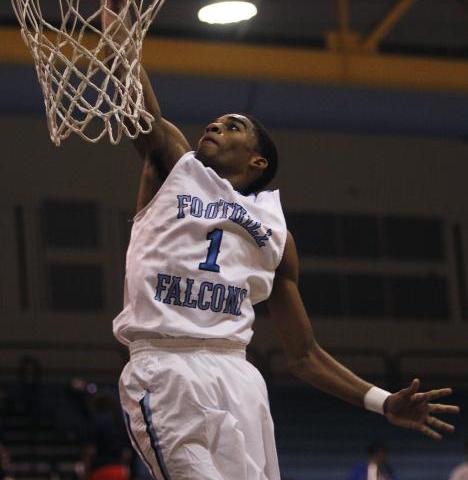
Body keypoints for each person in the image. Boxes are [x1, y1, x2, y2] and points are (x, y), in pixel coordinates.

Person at [100, 2, 459, 479]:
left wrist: (382, 401)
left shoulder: (276, 231)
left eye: (234, 126)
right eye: (216, 121)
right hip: (165, 367)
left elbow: (304, 356)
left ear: (258, 163)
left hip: (238, 374)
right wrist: (115, 27)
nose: (215, 126)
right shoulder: (174, 168)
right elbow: (134, 100)